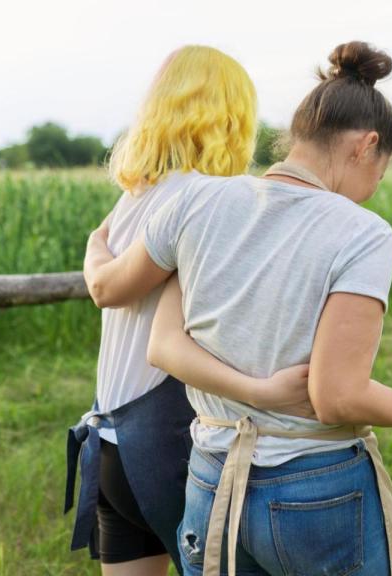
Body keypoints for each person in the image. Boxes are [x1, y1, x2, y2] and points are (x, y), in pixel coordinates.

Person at [84, 41, 392, 576]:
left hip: (209, 478)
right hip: (312, 486)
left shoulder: (195, 201)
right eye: (380, 174)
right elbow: (336, 397)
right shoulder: (363, 232)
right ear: (367, 146)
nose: (370, 192)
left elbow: (162, 344)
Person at [69, 45, 313, 576]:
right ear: (233, 116)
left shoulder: (135, 195)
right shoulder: (207, 198)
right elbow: (112, 288)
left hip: (111, 441)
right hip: (172, 444)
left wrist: (92, 244)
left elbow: (103, 277)